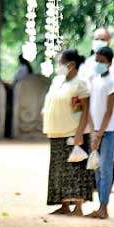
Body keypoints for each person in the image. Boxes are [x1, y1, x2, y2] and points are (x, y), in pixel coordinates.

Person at [42, 49, 94, 216]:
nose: (59, 66)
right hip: (56, 132)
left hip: (73, 132)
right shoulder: (57, 80)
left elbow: (86, 109)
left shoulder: (81, 83)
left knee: (75, 169)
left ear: (71, 65)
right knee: (59, 169)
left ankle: (78, 206)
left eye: (61, 63)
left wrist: (80, 133)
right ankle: (63, 204)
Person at [88, 46, 114, 220]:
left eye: (102, 61)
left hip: (107, 132)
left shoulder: (113, 82)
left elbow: (109, 110)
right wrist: (93, 130)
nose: (99, 64)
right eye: (97, 60)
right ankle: (100, 204)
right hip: (97, 131)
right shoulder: (95, 79)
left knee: (106, 168)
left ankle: (104, 206)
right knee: (97, 169)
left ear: (109, 62)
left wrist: (99, 133)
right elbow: (94, 107)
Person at [79, 28, 114, 119]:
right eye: (96, 39)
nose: (99, 42)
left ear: (109, 41)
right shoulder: (87, 63)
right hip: (90, 116)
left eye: (102, 39)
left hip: (111, 117)